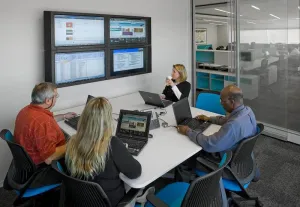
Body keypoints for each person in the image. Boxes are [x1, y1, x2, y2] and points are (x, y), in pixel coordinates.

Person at [65, 97, 141, 207]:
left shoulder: (72, 141)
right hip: (110, 202)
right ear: (107, 120)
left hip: (81, 200)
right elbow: (135, 173)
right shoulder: (112, 144)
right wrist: (123, 153)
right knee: (138, 186)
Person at [6, 82, 76, 188]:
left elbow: (42, 121)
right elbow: (49, 158)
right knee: (82, 152)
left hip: (26, 166)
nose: (56, 99)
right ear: (48, 101)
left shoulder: (26, 111)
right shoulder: (44, 123)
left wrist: (64, 116)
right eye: (56, 96)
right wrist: (74, 142)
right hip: (42, 169)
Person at [177, 84, 257, 153]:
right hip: (241, 151)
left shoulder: (233, 125)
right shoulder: (247, 111)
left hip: (227, 154)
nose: (221, 104)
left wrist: (187, 131)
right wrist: (208, 118)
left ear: (232, 102)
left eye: (223, 101)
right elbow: (226, 119)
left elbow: (210, 144)